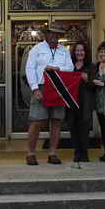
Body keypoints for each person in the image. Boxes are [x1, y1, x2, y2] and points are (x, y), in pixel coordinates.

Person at [24, 22, 74, 165]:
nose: (54, 36)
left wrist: (57, 68)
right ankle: (31, 153)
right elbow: (29, 68)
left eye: (57, 34)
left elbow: (70, 68)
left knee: (56, 121)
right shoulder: (37, 49)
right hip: (41, 87)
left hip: (58, 88)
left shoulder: (64, 51)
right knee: (37, 121)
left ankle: (53, 153)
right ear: (46, 34)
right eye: (52, 33)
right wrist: (35, 89)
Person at [68, 42, 95, 162]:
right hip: (71, 101)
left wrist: (87, 79)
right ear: (74, 52)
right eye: (77, 50)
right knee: (73, 126)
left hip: (85, 101)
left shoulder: (91, 66)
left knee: (84, 127)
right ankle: (77, 152)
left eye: (82, 50)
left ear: (85, 52)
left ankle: (84, 153)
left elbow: (94, 84)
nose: (79, 53)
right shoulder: (69, 65)